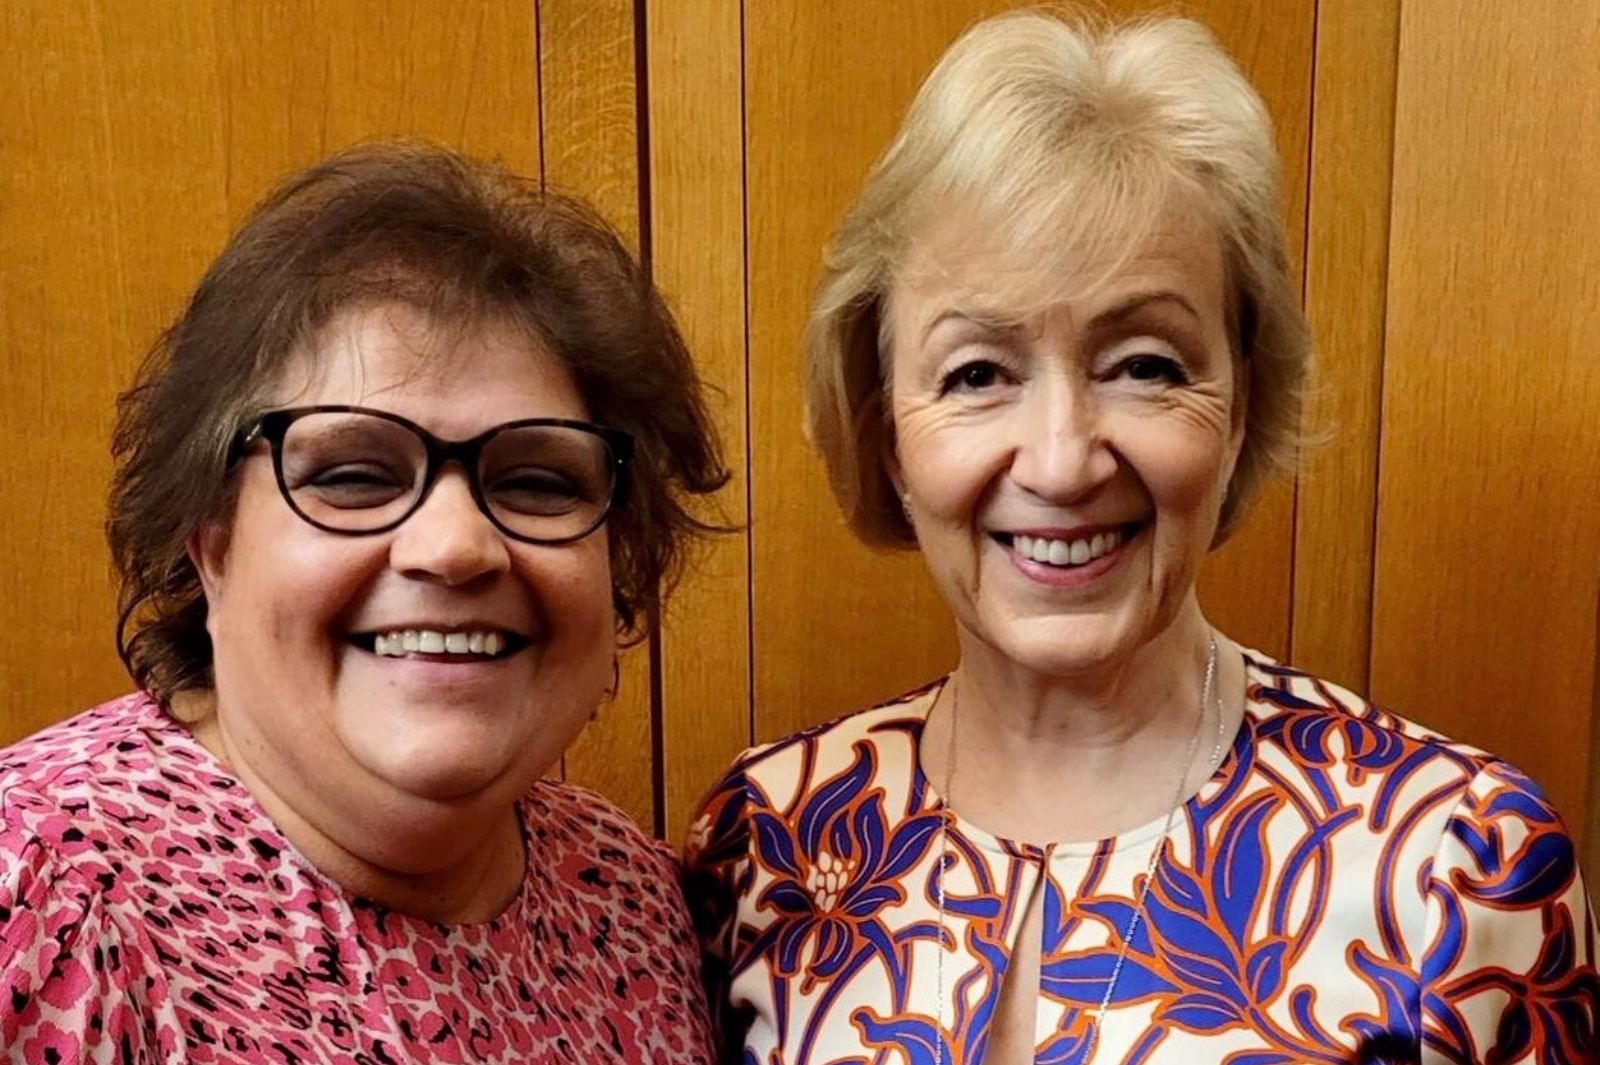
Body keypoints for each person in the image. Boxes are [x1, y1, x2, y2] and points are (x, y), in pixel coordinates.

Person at [685, 10, 1598, 1064]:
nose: (1063, 460)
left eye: (1145, 366)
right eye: (977, 374)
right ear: (885, 429)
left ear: (1242, 406)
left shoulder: (1460, 863)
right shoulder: (764, 840)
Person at [0, 141, 722, 1062]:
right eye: (351, 473)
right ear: (209, 540)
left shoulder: (633, 899)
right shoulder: (36, 898)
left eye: (538, 480)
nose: (457, 544)